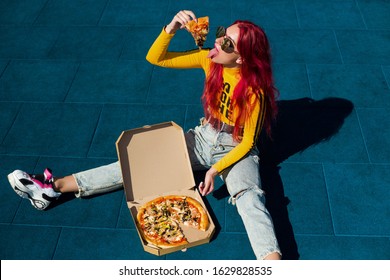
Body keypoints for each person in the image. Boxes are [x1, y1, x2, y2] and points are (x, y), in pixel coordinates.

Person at [7, 10, 281, 260]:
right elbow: (155, 58)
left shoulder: (253, 91)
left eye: (228, 44)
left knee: (249, 197)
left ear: (242, 57)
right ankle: (51, 189)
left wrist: (214, 171)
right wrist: (171, 27)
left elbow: (247, 142)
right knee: (137, 164)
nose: (218, 43)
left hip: (234, 148)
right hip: (202, 137)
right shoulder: (208, 60)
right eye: (222, 34)